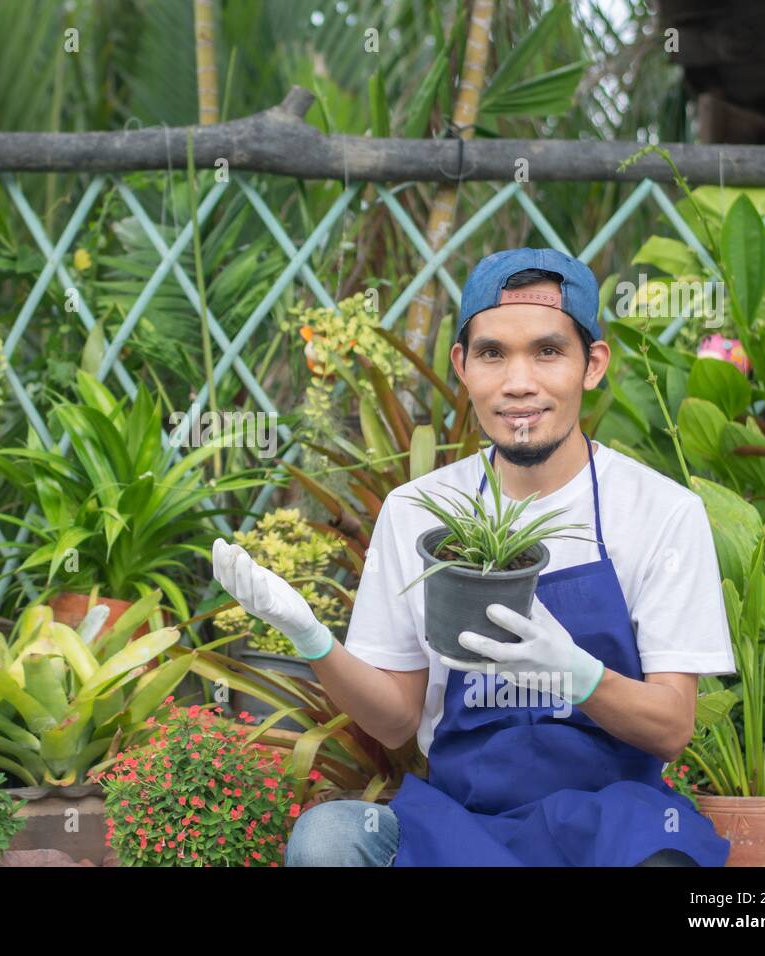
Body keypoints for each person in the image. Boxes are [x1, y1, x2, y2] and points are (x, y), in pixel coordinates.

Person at [211, 248, 738, 867]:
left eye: (547, 351)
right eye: (493, 353)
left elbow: (672, 728)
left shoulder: (660, 512)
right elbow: (394, 723)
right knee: (328, 839)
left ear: (592, 365)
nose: (519, 382)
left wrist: (577, 673)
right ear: (463, 365)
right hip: (464, 829)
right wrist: (311, 637)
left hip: (614, 828)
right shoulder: (417, 512)